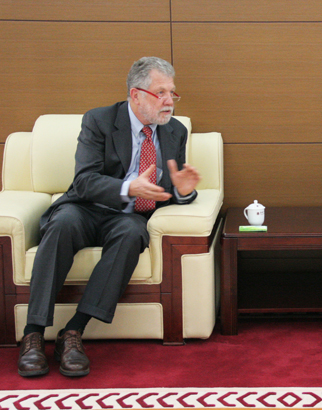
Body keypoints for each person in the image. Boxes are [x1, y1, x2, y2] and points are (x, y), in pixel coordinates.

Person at [17, 56, 200, 377]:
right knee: (62, 224)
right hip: (85, 208)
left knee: (132, 234)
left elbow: (172, 187)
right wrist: (129, 187)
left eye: (172, 93)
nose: (169, 101)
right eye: (161, 93)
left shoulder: (175, 131)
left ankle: (73, 332)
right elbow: (85, 180)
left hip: (128, 217)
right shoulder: (99, 120)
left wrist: (183, 191)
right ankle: (33, 333)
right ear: (136, 95)